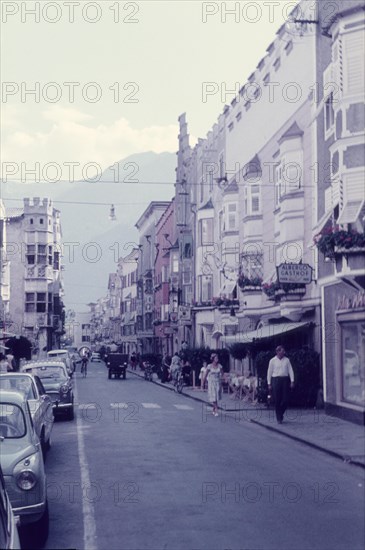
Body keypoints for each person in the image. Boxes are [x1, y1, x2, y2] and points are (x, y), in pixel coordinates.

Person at [267, 345, 294, 424]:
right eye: (282, 351)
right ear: (278, 352)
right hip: (276, 380)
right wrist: (269, 383)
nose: (284, 352)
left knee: (285, 399)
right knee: (277, 400)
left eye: (284, 351)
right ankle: (279, 418)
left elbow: (290, 370)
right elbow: (269, 372)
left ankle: (280, 413)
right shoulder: (272, 361)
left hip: (285, 380)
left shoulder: (287, 360)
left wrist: (292, 381)